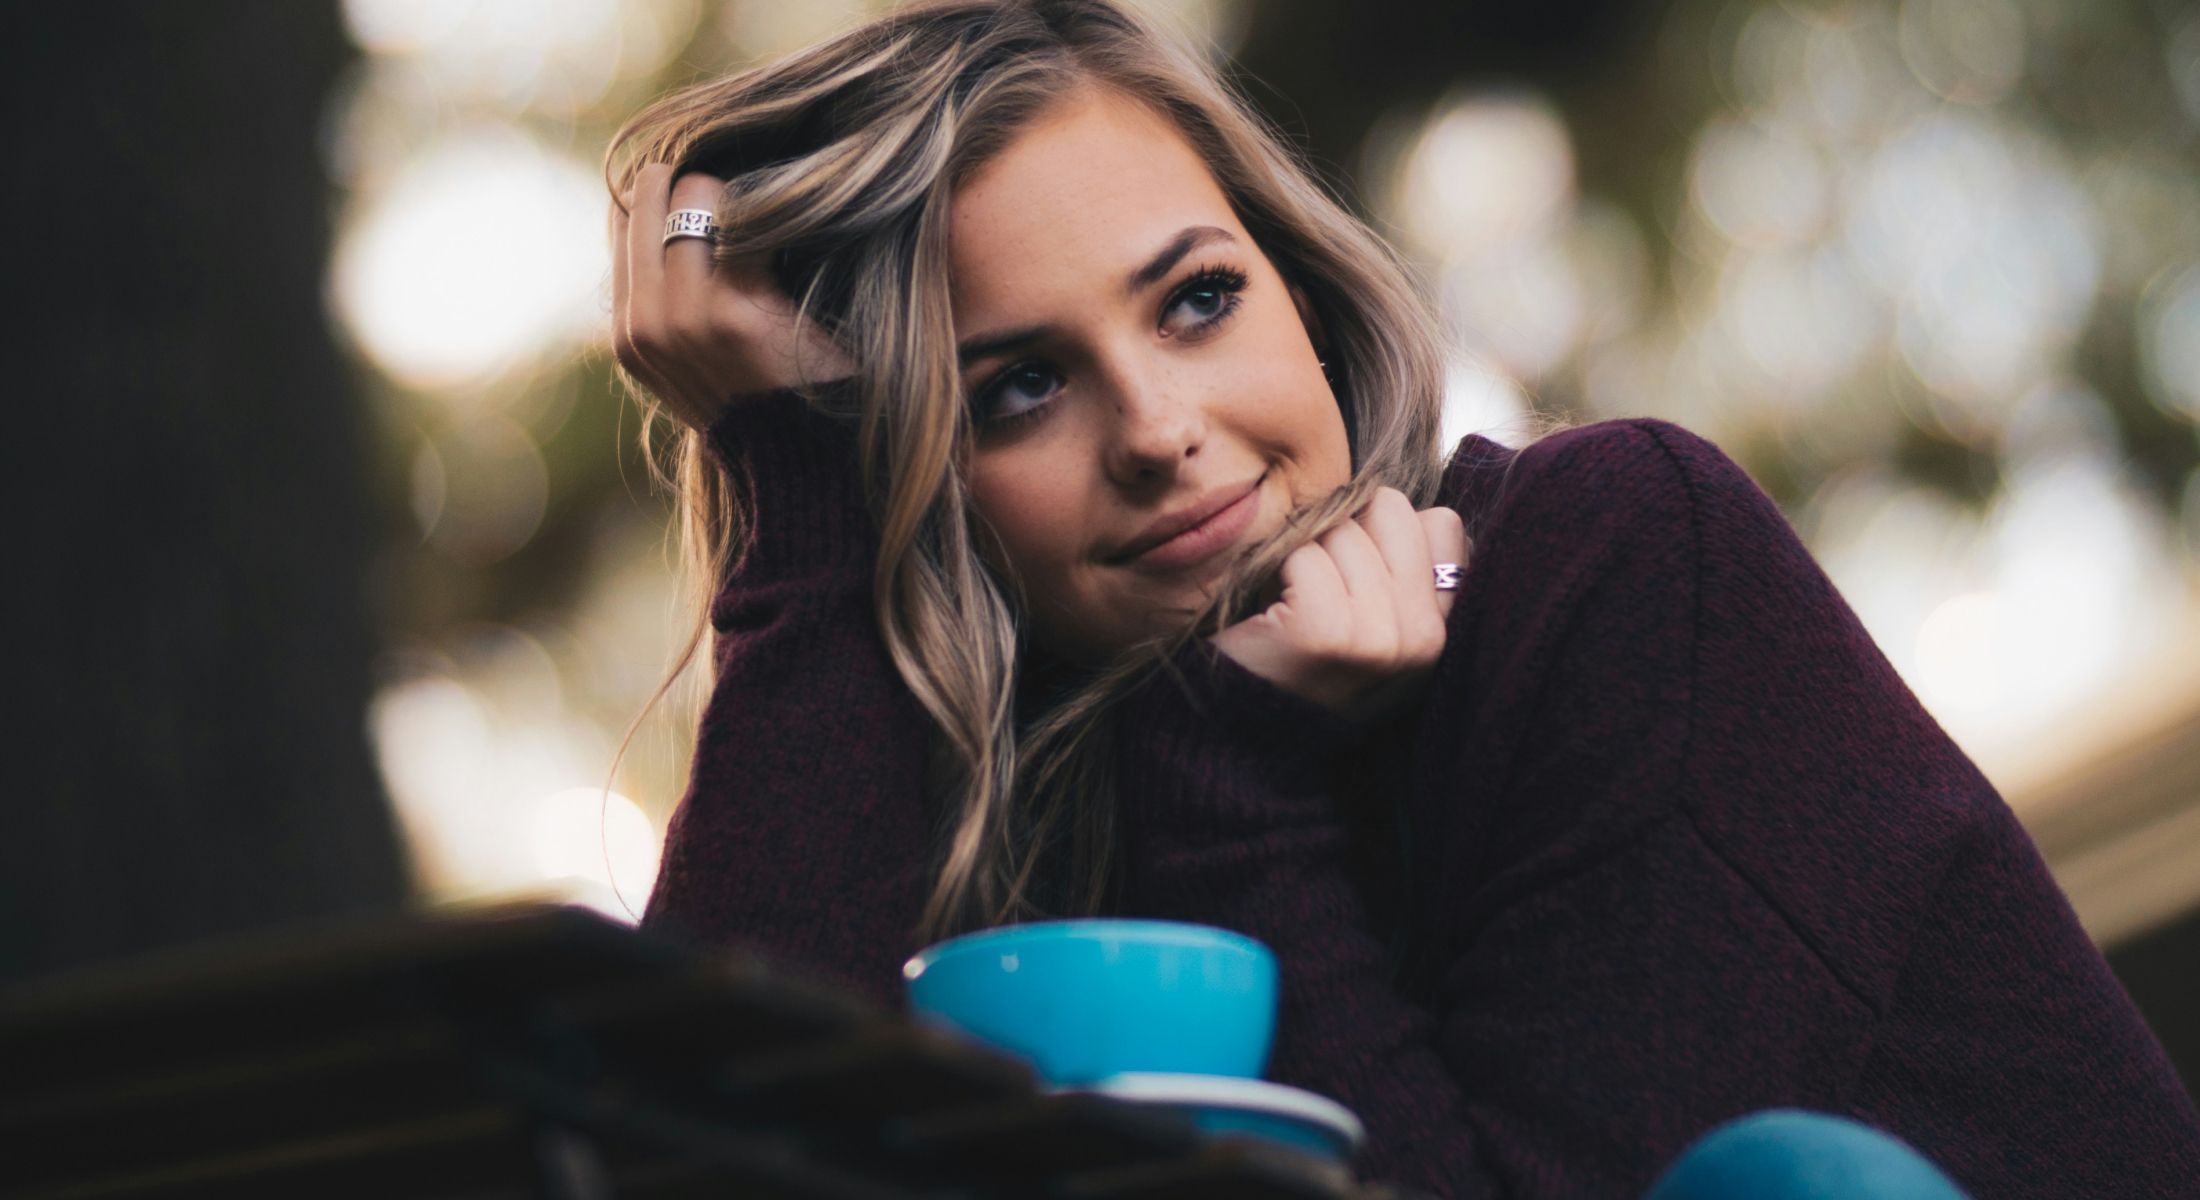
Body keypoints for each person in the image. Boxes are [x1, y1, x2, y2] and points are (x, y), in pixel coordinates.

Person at [602, 1, 2200, 1195]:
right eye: (1017, 391)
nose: (1159, 430)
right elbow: (677, 1161)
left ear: (1299, 289)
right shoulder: (999, 843)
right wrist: (796, 521)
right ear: (917, 477)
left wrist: (1234, 782)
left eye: (1199, 301)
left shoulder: (1613, 559)